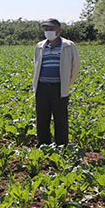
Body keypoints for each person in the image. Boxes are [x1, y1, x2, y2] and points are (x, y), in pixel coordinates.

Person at [32, 18, 80, 146]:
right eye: (46, 29)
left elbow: (75, 67)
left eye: (51, 29)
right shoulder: (40, 46)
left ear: (59, 30)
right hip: (42, 87)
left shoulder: (69, 46)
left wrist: (67, 83)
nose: (48, 31)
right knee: (42, 118)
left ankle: (62, 146)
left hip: (59, 87)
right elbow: (37, 65)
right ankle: (44, 146)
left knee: (61, 119)